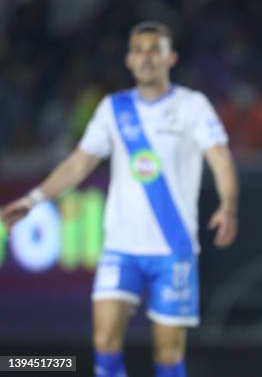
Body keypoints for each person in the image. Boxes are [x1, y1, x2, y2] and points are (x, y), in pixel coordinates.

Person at [1, 21, 239, 377]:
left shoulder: (192, 106)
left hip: (173, 248)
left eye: (154, 50)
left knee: (168, 353)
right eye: (139, 51)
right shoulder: (114, 109)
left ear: (169, 58)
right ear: (128, 60)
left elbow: (219, 157)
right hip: (121, 247)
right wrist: (33, 199)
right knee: (105, 342)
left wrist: (229, 205)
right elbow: (79, 163)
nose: (146, 58)